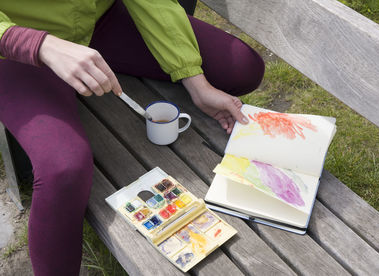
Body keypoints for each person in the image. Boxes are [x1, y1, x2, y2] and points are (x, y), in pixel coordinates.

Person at [0, 0, 265, 275]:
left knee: (241, 65)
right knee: (63, 169)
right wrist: (39, 44)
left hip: (99, 22)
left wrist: (195, 80)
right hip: (20, 52)